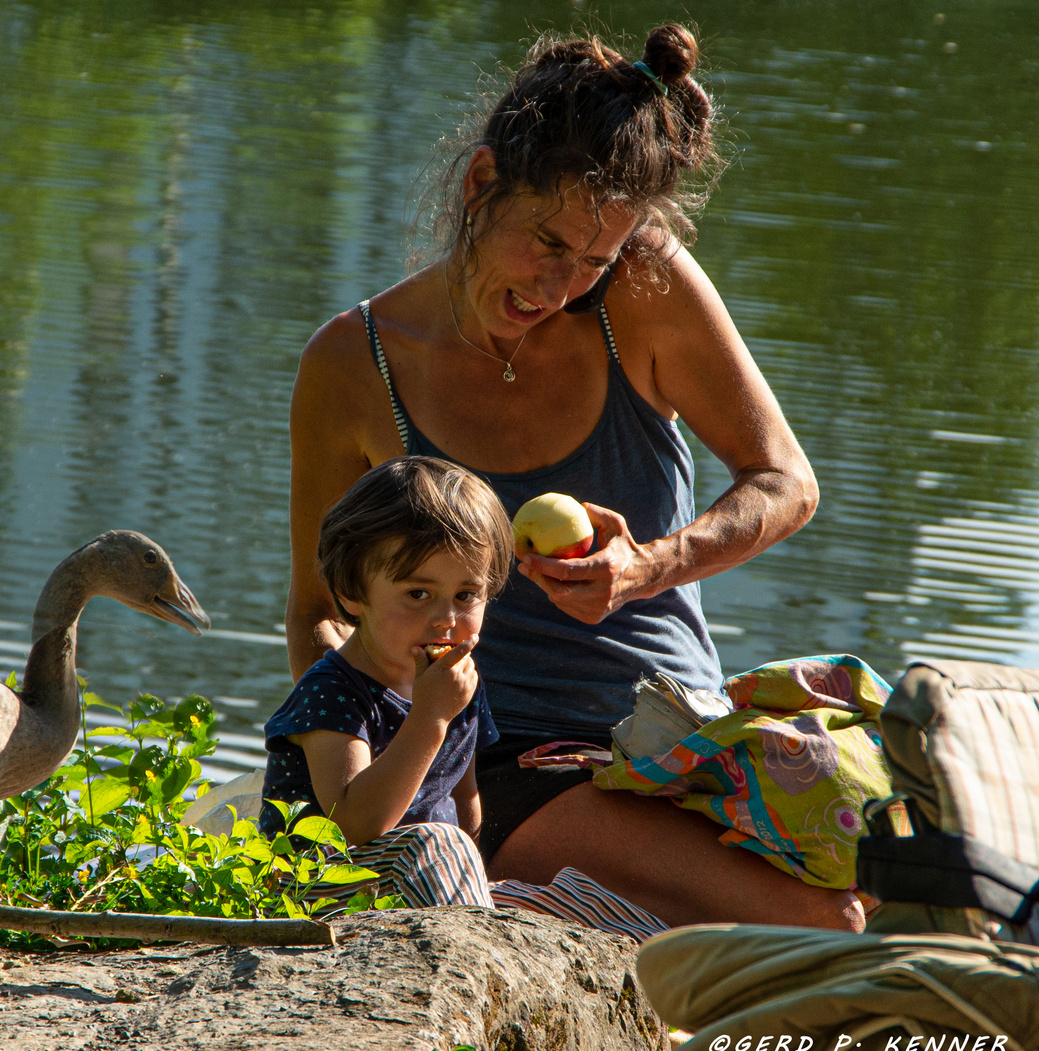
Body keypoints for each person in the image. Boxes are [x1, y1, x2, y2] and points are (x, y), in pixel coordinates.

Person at [284, 25, 864, 931]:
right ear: (480, 185)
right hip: (498, 761)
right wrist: (367, 753)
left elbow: (784, 481)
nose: (560, 284)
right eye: (546, 243)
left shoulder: (642, 288)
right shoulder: (352, 364)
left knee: (907, 891)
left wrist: (649, 568)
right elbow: (316, 610)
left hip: (684, 740)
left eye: (592, 261)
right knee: (827, 927)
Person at [258, 456, 504, 908]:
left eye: (466, 595)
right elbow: (353, 824)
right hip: (319, 886)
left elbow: (464, 800)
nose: (446, 620)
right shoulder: (333, 690)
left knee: (567, 891)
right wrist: (430, 716)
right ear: (353, 592)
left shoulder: (457, 682)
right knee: (434, 845)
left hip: (425, 879)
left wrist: (484, 880)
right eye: (418, 594)